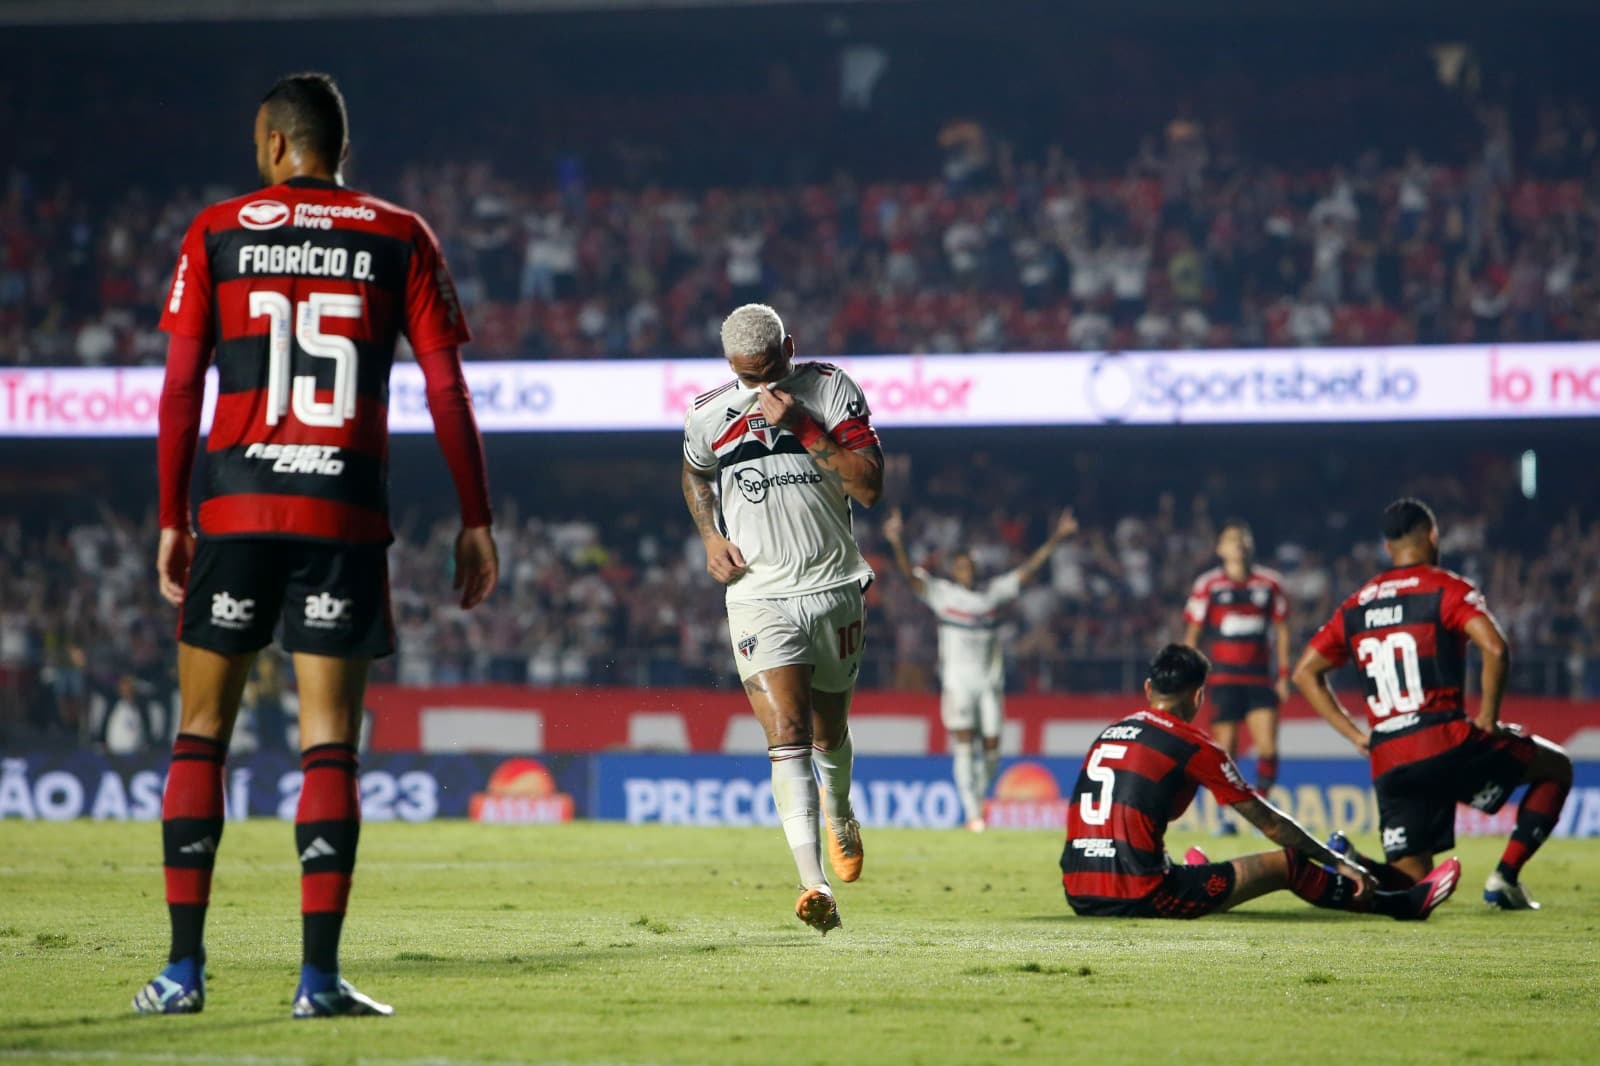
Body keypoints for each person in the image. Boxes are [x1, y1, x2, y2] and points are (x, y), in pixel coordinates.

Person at [135, 73, 499, 1017]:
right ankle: (316, 979)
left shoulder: (215, 229)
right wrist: (475, 517)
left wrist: (173, 515)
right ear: (342, 147)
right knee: (329, 739)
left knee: (200, 730)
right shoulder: (399, 233)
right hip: (340, 513)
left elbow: (179, 393)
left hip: (236, 506)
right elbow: (448, 392)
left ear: (269, 144)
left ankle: (181, 973)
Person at [681, 303, 883, 935]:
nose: (759, 387)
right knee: (787, 731)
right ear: (728, 365)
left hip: (833, 587)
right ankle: (812, 882)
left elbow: (869, 487)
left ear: (789, 348)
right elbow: (694, 473)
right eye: (746, 376)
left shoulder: (830, 389)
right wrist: (711, 538)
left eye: (769, 371)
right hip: (758, 594)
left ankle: (841, 810)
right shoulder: (708, 413)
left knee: (829, 731)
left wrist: (801, 423)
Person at [1292, 498, 1573, 910]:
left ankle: (1351, 861)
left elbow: (1304, 673)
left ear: (1388, 548)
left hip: (1388, 756)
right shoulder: (1445, 588)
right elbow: (1494, 648)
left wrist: (1356, 735)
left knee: (1414, 880)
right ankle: (1505, 879)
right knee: (1557, 767)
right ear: (1433, 536)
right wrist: (1489, 720)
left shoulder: (1356, 604)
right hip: (1444, 739)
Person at [1061, 644, 1460, 921]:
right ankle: (1400, 904)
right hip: (1138, 893)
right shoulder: (1192, 744)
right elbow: (1269, 824)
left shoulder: (1110, 732)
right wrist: (1338, 862)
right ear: (1198, 697)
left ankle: (1192, 875)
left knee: (1185, 861)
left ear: (1148, 690)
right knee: (1287, 863)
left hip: (1078, 889)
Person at [881, 507, 1078, 831]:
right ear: (953, 572)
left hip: (990, 684)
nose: (966, 571)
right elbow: (909, 575)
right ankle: (974, 813)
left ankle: (978, 797)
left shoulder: (993, 593)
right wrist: (896, 541)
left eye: (969, 566)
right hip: (957, 684)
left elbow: (1028, 570)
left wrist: (1056, 538)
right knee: (964, 745)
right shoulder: (943, 595)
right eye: (960, 567)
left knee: (992, 747)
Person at [1182, 520, 1291, 799]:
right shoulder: (1209, 585)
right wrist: (1188, 677)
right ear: (1220, 549)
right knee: (1225, 751)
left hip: (1259, 678)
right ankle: (1227, 814)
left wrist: (1283, 674)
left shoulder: (1269, 584)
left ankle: (1264, 806)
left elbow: (1281, 631)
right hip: (1223, 678)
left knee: (1267, 747)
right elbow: (1193, 633)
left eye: (1244, 539)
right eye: (1233, 540)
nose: (1240, 544)